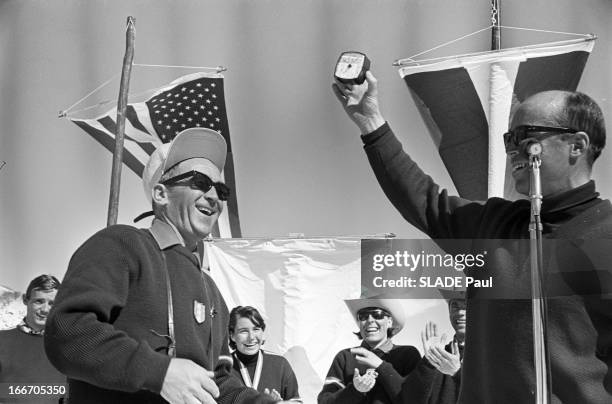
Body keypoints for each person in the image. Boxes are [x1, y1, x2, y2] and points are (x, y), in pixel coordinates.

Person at [332, 70, 612, 402]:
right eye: (509, 140)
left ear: (576, 145)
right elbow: (423, 199)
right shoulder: (493, 227)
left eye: (526, 136)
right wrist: (370, 122)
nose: (513, 150)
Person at [45, 128, 282, 404]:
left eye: (221, 189)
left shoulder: (212, 289)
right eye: (200, 181)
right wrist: (159, 372)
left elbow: (217, 381)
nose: (214, 196)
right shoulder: (122, 244)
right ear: (160, 193)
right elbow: (66, 331)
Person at [318, 298, 421, 404]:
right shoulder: (344, 357)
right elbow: (324, 401)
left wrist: (381, 367)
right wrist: (355, 390)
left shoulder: (408, 354)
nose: (370, 320)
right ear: (359, 323)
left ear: (389, 321)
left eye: (378, 315)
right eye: (363, 316)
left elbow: (416, 398)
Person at [0, 275, 65, 394]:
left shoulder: (68, 345)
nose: (45, 309)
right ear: (25, 300)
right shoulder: (2, 341)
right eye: (39, 301)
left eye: (51, 303)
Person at [399, 290, 466, 404]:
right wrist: (428, 362)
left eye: (467, 306)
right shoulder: (440, 354)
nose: (460, 312)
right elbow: (409, 399)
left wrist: (458, 374)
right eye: (454, 306)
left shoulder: (494, 354)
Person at [228, 306, 300, 401]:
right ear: (232, 335)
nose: (251, 337)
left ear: (263, 332)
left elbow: (296, 402)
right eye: (244, 331)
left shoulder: (280, 364)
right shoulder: (222, 366)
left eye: (256, 329)